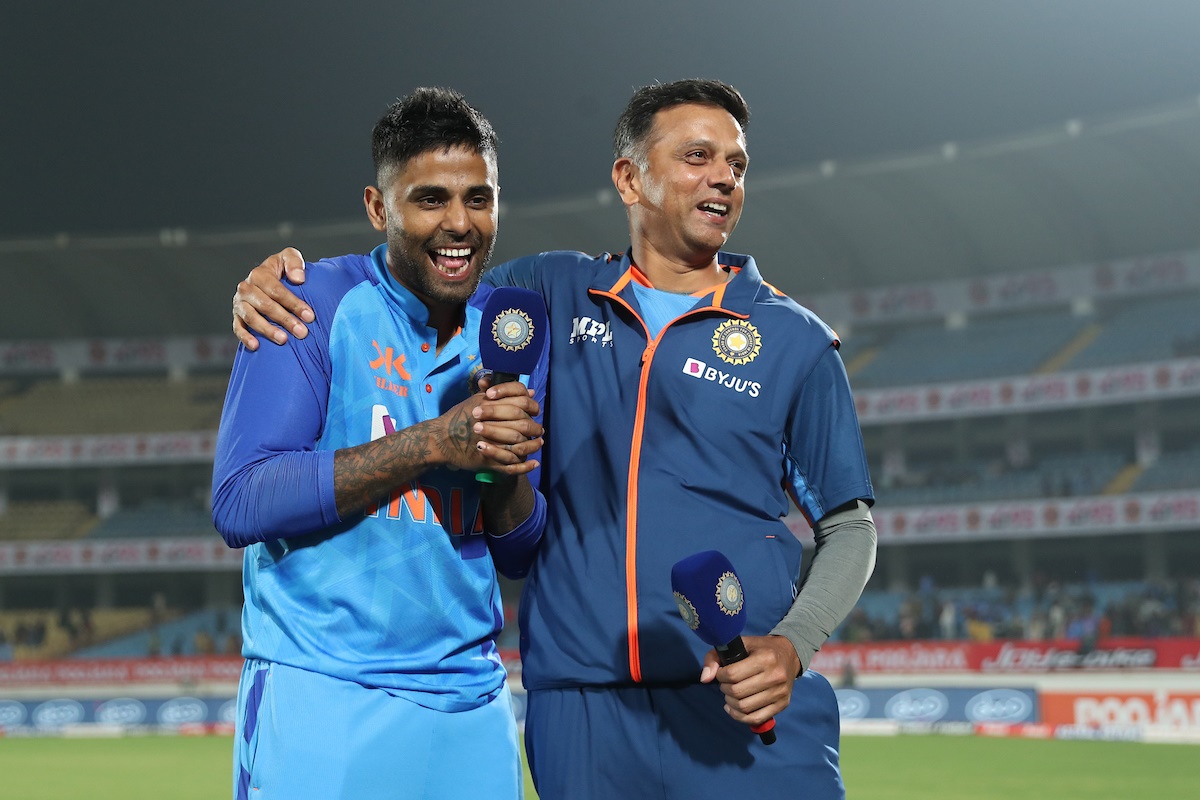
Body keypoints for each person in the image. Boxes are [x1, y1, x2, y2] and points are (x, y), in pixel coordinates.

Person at [232, 79, 877, 800]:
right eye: (698, 155)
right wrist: (283, 282)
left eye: (737, 163)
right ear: (630, 178)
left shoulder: (794, 340)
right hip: (580, 711)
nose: (725, 176)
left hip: (736, 696)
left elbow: (850, 526)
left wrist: (793, 646)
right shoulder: (546, 294)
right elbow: (422, 265)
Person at [212, 88, 547, 800]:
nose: (460, 223)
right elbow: (241, 502)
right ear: (378, 207)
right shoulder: (306, 305)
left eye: (479, 198)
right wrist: (432, 443)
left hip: (473, 705)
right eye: (430, 199)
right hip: (326, 700)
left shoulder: (512, 329)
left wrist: (502, 467)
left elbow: (517, 550)